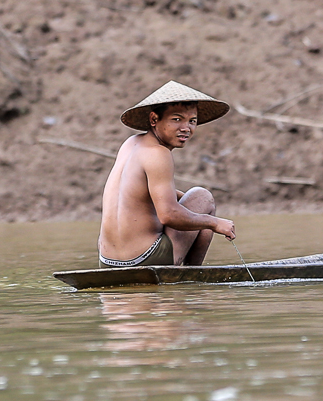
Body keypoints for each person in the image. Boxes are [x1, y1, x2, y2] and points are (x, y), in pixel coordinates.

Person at [97, 81, 236, 268]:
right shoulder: (159, 153)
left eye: (192, 121)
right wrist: (214, 223)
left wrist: (183, 199)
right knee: (203, 197)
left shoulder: (131, 143)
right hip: (143, 259)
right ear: (154, 119)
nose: (186, 128)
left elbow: (143, 191)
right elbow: (169, 215)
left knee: (193, 199)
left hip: (107, 262)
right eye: (177, 119)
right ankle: (189, 275)